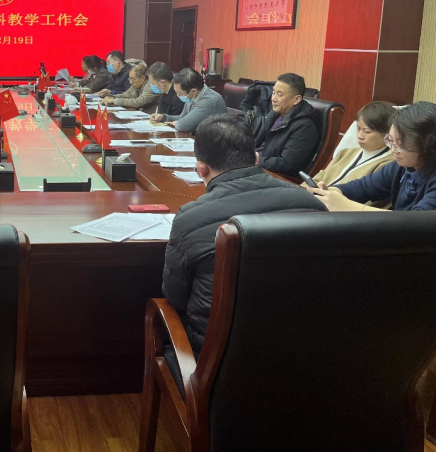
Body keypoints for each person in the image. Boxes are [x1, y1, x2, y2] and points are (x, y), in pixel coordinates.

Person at [163, 115, 326, 363]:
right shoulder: (312, 204)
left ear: (201, 169)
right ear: (256, 158)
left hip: (218, 362)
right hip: (306, 353)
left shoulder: (190, 218)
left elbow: (175, 297)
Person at [307, 102, 436, 211]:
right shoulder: (400, 167)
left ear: (428, 146)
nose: (393, 150)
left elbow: (417, 224)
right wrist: (332, 191)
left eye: (401, 145)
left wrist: (348, 206)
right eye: (391, 141)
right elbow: (363, 187)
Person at [311, 101, 396, 187]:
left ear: (387, 133)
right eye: (358, 129)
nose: (360, 136)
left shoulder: (389, 165)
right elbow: (317, 179)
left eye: (367, 131)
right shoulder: (345, 153)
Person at [253, 73, 319, 178]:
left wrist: (254, 159)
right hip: (255, 165)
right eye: (273, 93)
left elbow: (286, 164)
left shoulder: (305, 127)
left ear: (296, 99)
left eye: (279, 95)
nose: (273, 98)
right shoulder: (275, 114)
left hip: (269, 175)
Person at [158, 68, 226, 133]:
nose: (177, 96)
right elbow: (182, 117)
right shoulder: (192, 96)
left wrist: (177, 123)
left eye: (180, 93)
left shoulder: (209, 100)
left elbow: (183, 125)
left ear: (193, 91)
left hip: (214, 139)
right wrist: (163, 117)